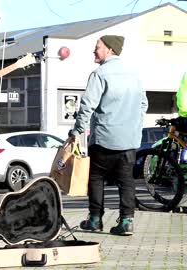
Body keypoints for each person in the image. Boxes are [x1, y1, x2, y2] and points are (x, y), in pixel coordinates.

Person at [69, 35, 148, 236]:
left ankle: (95, 220)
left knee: (96, 177)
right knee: (126, 181)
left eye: (98, 47)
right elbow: (144, 105)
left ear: (110, 50)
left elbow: (87, 106)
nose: (94, 51)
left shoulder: (100, 74)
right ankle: (126, 222)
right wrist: (134, 127)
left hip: (105, 138)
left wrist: (77, 131)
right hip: (129, 141)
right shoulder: (135, 75)